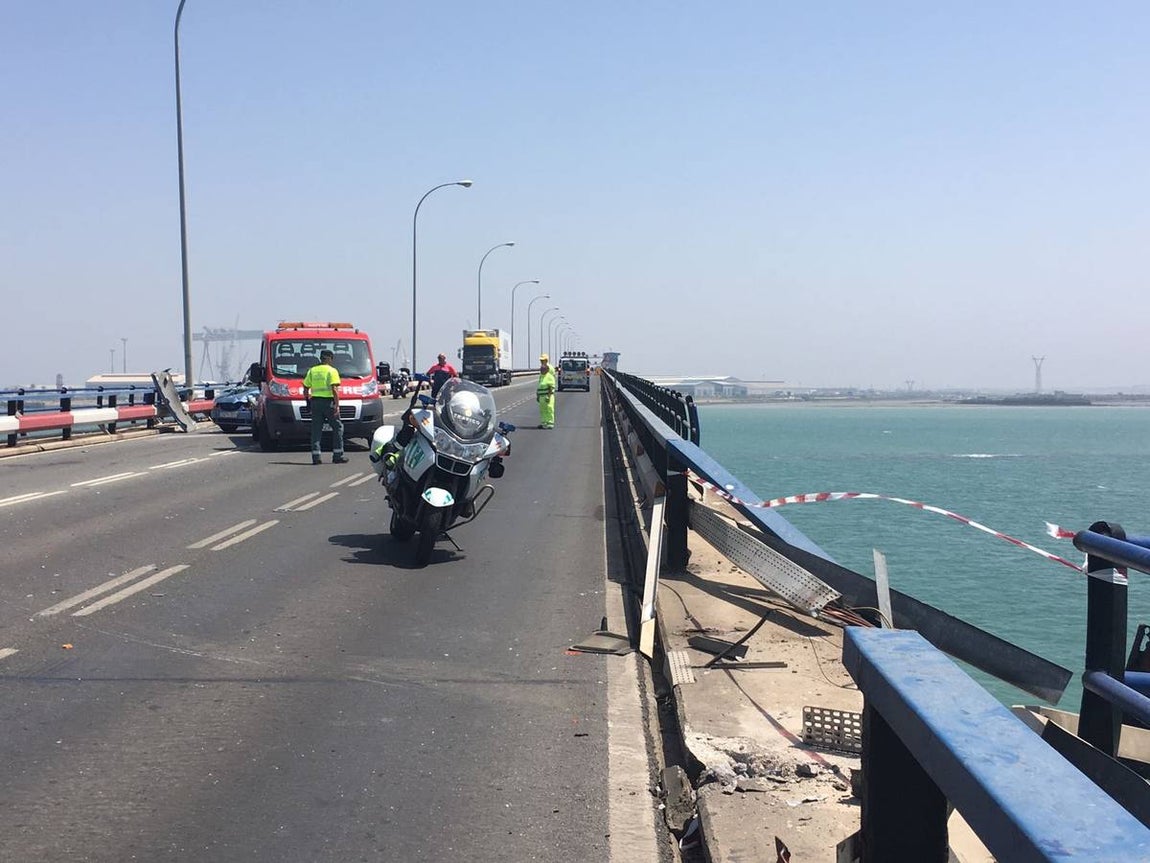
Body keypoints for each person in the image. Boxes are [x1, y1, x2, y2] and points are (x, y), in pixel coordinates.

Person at [302, 349, 348, 464]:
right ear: (330, 359)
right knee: (337, 427)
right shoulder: (332, 371)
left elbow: (306, 387)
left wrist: (307, 402)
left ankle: (316, 457)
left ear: (321, 358)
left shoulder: (312, 370)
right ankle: (338, 455)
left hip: (315, 403)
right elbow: (334, 389)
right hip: (328, 403)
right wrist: (337, 405)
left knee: (316, 430)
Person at [537, 353, 556, 429]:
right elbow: (540, 382)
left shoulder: (550, 368)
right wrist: (538, 394)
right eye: (541, 360)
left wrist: (549, 395)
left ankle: (550, 423)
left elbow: (551, 383)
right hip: (542, 395)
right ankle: (544, 423)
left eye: (543, 360)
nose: (541, 361)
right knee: (543, 410)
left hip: (548, 395)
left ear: (546, 360)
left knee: (549, 409)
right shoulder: (542, 371)